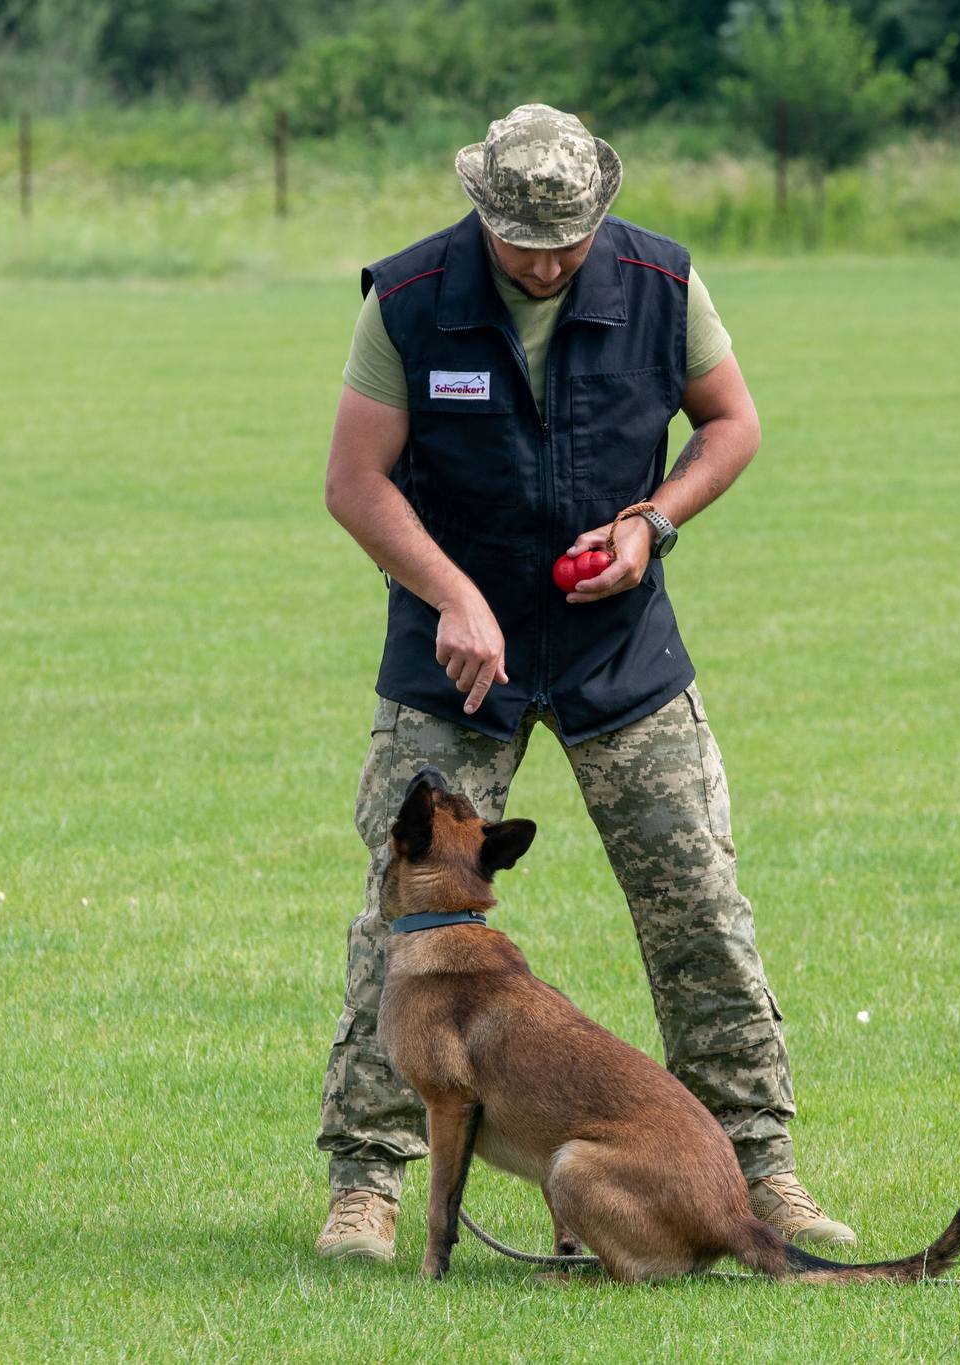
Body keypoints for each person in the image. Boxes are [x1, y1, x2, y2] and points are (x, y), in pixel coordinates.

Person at [314, 104, 854, 1263]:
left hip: (619, 649)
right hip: (454, 659)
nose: (548, 260)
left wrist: (654, 522)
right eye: (522, 241)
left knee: (699, 906)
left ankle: (760, 1169)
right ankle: (365, 1186)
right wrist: (452, 594)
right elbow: (356, 483)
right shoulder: (407, 302)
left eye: (566, 240)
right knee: (398, 924)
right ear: (481, 211)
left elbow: (731, 425)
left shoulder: (663, 282)